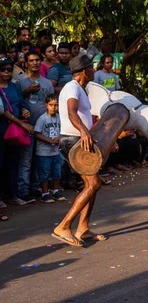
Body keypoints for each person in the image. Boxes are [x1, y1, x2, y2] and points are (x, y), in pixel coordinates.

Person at [53, 55, 106, 247]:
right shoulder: (72, 87)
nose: (94, 70)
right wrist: (84, 132)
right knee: (92, 183)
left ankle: (82, 228)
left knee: (94, 183)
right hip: (74, 140)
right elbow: (71, 112)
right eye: (92, 67)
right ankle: (64, 226)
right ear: (84, 71)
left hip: (79, 139)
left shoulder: (80, 89)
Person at [17, 51, 55, 202]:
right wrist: (27, 91)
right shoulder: (19, 81)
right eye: (31, 60)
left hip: (43, 128)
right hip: (26, 126)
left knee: (40, 159)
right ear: (26, 63)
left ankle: (35, 187)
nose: (35, 63)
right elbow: (14, 101)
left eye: (37, 60)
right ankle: (23, 190)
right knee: (25, 160)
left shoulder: (47, 83)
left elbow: (52, 104)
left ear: (41, 62)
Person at [0, 57, 35, 206]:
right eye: (3, 69)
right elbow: (4, 111)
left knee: (13, 163)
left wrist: (25, 111)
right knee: (0, 164)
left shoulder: (14, 87)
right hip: (2, 130)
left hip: (14, 131)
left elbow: (22, 102)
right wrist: (21, 122)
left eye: (9, 69)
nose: (7, 72)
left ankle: (14, 195)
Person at [34, 95, 65, 203]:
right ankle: (45, 193)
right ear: (46, 106)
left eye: (56, 105)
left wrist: (59, 138)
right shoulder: (42, 119)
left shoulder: (59, 117)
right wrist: (49, 140)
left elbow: (62, 130)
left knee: (56, 172)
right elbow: (37, 133)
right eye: (51, 105)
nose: (53, 107)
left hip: (55, 151)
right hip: (43, 152)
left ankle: (55, 190)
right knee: (45, 173)